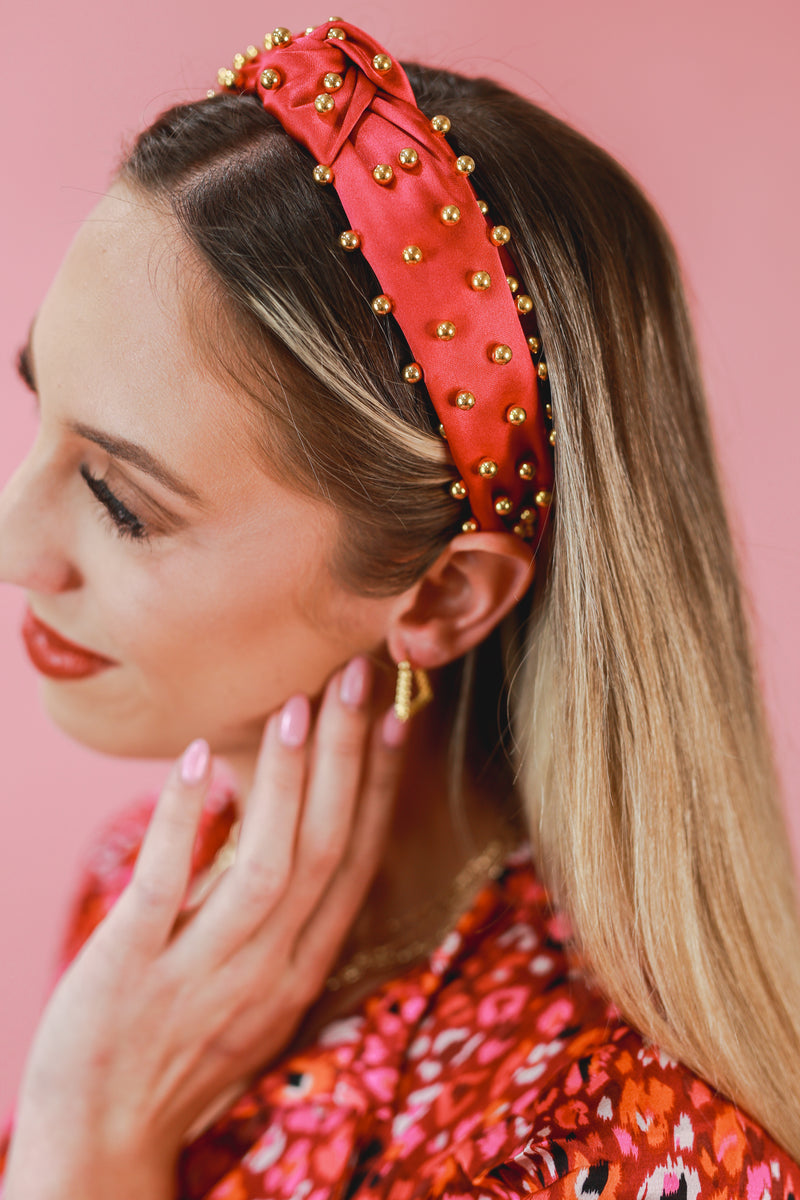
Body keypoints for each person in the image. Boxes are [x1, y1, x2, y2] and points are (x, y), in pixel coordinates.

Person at [0, 16, 798, 1199]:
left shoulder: (616, 1140)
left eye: (121, 501)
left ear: (442, 594)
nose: (15, 542)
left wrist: (89, 1152)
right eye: (36, 415)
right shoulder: (155, 899)